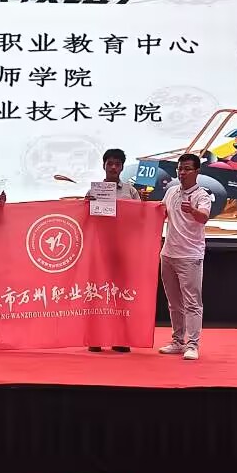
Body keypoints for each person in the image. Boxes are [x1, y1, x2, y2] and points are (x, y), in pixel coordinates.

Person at [86, 148, 144, 354]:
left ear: (121, 167)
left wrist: (140, 206)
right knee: (97, 293)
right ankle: (95, 338)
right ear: (104, 165)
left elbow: (140, 218)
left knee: (120, 295)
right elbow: (86, 221)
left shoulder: (131, 191)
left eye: (117, 164)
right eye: (109, 163)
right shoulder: (93, 192)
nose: (113, 167)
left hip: (123, 250)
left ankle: (120, 338)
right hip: (99, 249)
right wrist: (86, 206)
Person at [158, 153, 213, 361]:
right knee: (174, 303)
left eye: (187, 169)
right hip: (168, 254)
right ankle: (178, 341)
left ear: (197, 171)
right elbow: (160, 213)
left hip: (190, 256)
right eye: (180, 169)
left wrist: (193, 211)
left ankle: (193, 344)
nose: (182, 173)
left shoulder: (202, 196)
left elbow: (204, 217)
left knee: (192, 303)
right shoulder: (171, 191)